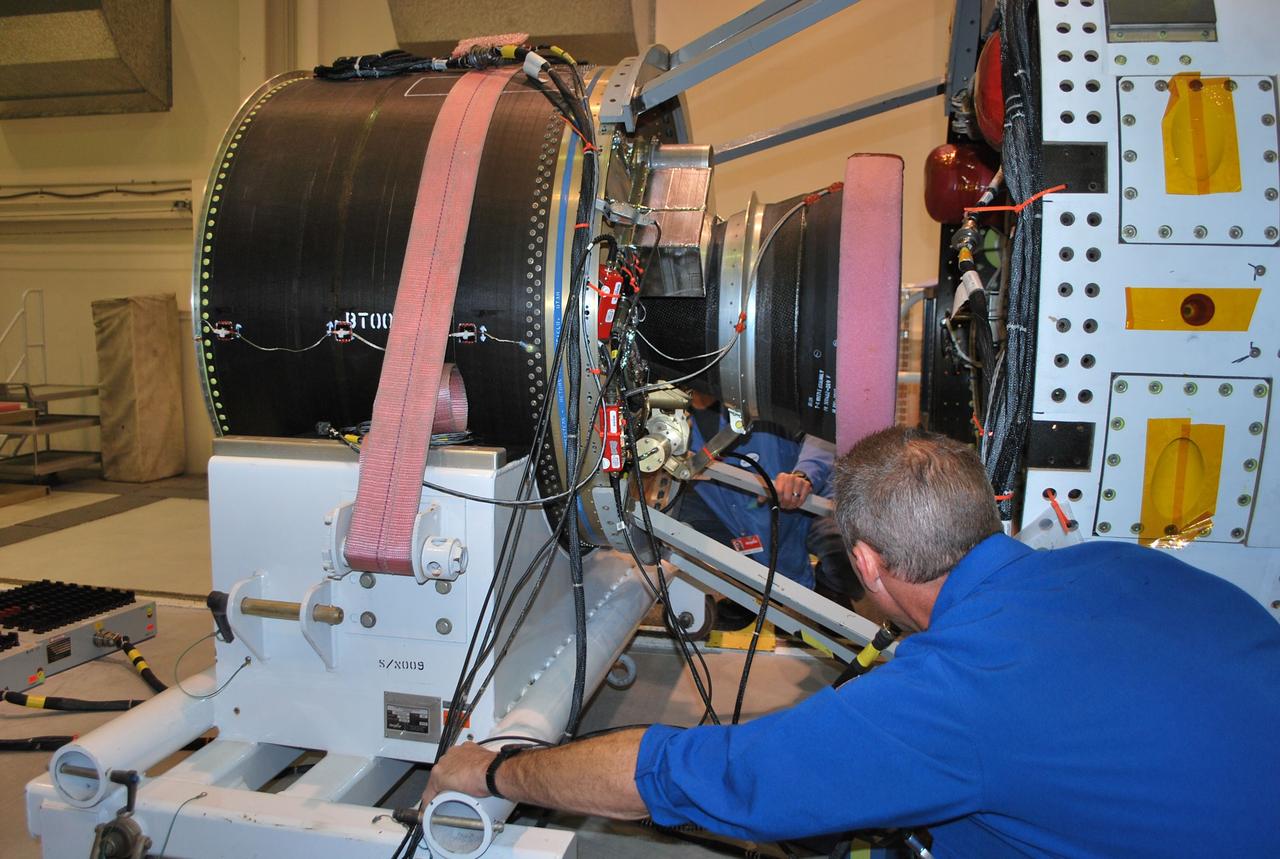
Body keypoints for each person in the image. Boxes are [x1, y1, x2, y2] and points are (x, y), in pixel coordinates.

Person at [422, 427, 1280, 856]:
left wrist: (495, 770)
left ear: (865, 563)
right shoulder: (1119, 563)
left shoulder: (957, 699)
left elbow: (690, 775)